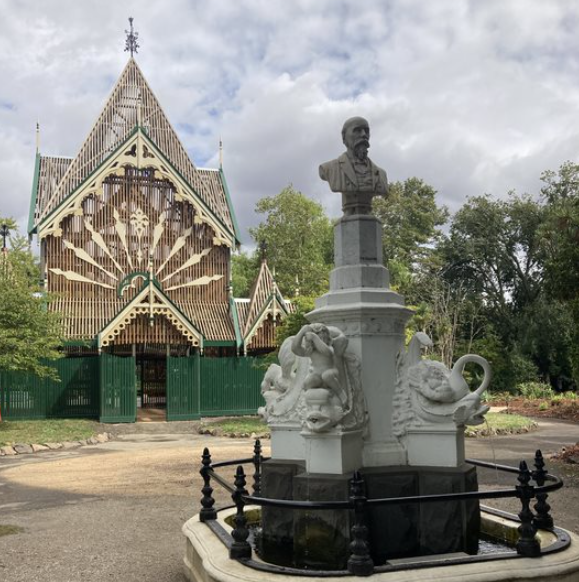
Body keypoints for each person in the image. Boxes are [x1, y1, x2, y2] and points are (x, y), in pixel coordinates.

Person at [319, 116, 388, 215]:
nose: (364, 134)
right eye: (357, 130)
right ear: (344, 137)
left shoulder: (381, 174)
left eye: (366, 131)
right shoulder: (330, 168)